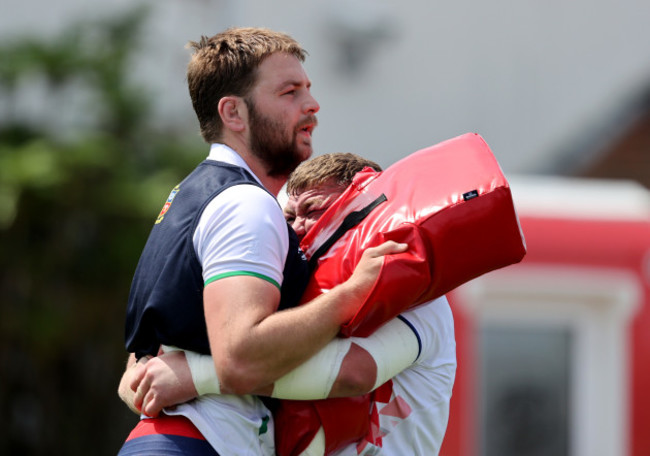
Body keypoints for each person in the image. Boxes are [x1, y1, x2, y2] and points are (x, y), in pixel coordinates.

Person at [118, 28, 407, 456]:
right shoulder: (245, 205)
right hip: (198, 444)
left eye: (308, 89)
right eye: (289, 92)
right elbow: (240, 359)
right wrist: (352, 293)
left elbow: (142, 359)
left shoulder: (192, 194)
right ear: (233, 113)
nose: (312, 105)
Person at [121, 153, 457, 455]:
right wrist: (145, 375)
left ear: (363, 210)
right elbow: (142, 372)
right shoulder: (300, 291)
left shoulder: (417, 293)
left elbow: (354, 372)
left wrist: (194, 376)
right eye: (288, 217)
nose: (296, 230)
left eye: (313, 211)